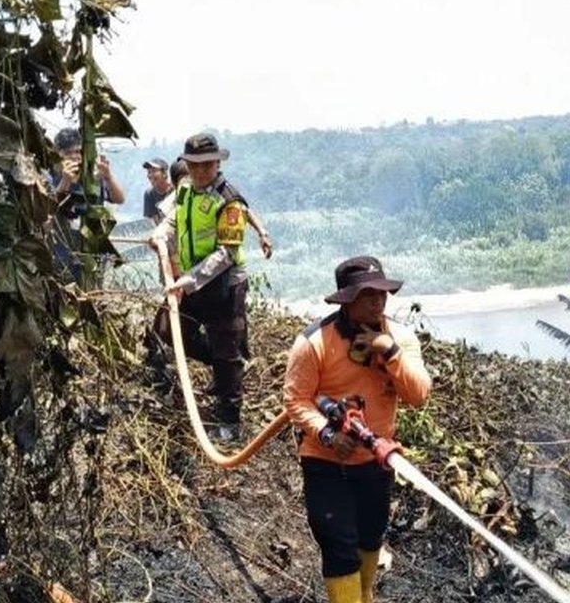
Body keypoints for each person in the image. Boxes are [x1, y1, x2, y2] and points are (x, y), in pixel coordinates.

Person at [283, 256, 432, 603]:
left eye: (382, 294)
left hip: (376, 461)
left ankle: (364, 595)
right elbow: (295, 400)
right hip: (325, 463)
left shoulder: (401, 337)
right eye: (367, 296)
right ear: (347, 300)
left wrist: (390, 353)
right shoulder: (314, 343)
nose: (378, 302)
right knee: (339, 546)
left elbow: (419, 395)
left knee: (370, 539)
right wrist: (328, 435)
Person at [149, 133, 259, 439]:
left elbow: (227, 253)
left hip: (223, 284)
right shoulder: (185, 190)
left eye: (207, 164)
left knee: (225, 347)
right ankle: (227, 367)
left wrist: (190, 279)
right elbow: (174, 221)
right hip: (190, 280)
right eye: (194, 164)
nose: (200, 171)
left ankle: (229, 422)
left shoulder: (229, 202)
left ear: (217, 163)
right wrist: (160, 235)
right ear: (186, 164)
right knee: (168, 331)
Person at [49, 127, 124, 276]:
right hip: (63, 254)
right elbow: (49, 210)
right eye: (69, 153)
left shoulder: (92, 178)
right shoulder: (52, 177)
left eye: (78, 152)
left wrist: (108, 177)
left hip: (92, 251)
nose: (75, 157)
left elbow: (119, 198)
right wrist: (65, 181)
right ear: (59, 155)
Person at [142, 157, 173, 222]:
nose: (150, 175)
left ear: (164, 173)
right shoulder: (149, 194)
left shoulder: (175, 189)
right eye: (149, 172)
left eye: (153, 171)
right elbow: (153, 221)